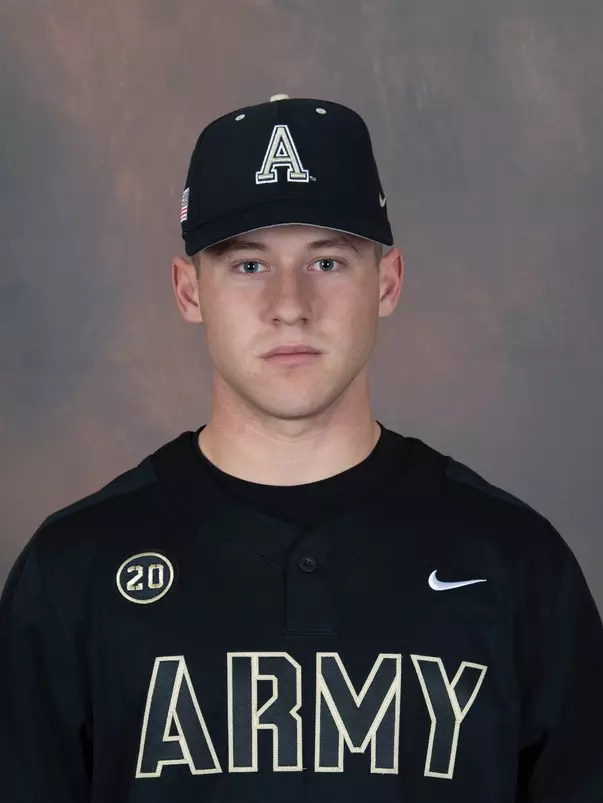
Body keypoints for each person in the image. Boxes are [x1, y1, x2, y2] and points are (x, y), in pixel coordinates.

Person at [1, 94, 602, 803]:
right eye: (247, 265)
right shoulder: (73, 572)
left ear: (388, 281)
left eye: (327, 262)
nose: (289, 304)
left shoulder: (515, 566)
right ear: (188, 289)